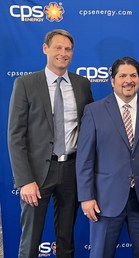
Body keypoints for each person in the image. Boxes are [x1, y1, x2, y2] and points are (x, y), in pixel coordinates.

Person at [76, 56, 139, 258]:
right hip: (105, 200)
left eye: (133, 75)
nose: (128, 80)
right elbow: (85, 159)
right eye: (122, 75)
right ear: (112, 80)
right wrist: (86, 196)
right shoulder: (94, 111)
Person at [7, 29, 94, 258]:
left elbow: (90, 129)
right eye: (58, 47)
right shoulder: (25, 84)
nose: (63, 53)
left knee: (66, 238)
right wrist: (25, 180)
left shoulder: (82, 84)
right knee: (31, 239)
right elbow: (15, 136)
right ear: (45, 49)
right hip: (36, 174)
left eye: (67, 49)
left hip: (71, 171)